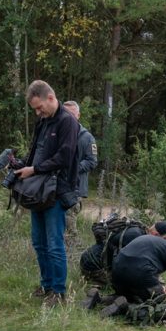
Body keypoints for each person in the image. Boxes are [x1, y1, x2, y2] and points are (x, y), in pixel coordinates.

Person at [15, 80, 80, 306]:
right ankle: (46, 285)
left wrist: (34, 169)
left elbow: (65, 156)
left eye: (39, 107)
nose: (37, 112)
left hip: (56, 191)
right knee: (39, 242)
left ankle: (59, 292)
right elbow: (35, 153)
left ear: (50, 98)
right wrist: (20, 165)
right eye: (34, 109)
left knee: (54, 243)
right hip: (38, 191)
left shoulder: (67, 122)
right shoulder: (42, 123)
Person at [106, 230, 166, 309]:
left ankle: (100, 299)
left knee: (127, 296)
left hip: (116, 271)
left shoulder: (150, 239)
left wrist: (159, 285)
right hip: (139, 272)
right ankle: (125, 309)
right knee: (160, 302)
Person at [62, 100, 98, 243]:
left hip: (74, 188)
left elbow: (92, 161)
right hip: (55, 186)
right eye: (65, 114)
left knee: (70, 223)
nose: (68, 117)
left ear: (78, 115)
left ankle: (73, 256)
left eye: (71, 114)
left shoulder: (87, 138)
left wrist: (73, 168)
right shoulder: (58, 134)